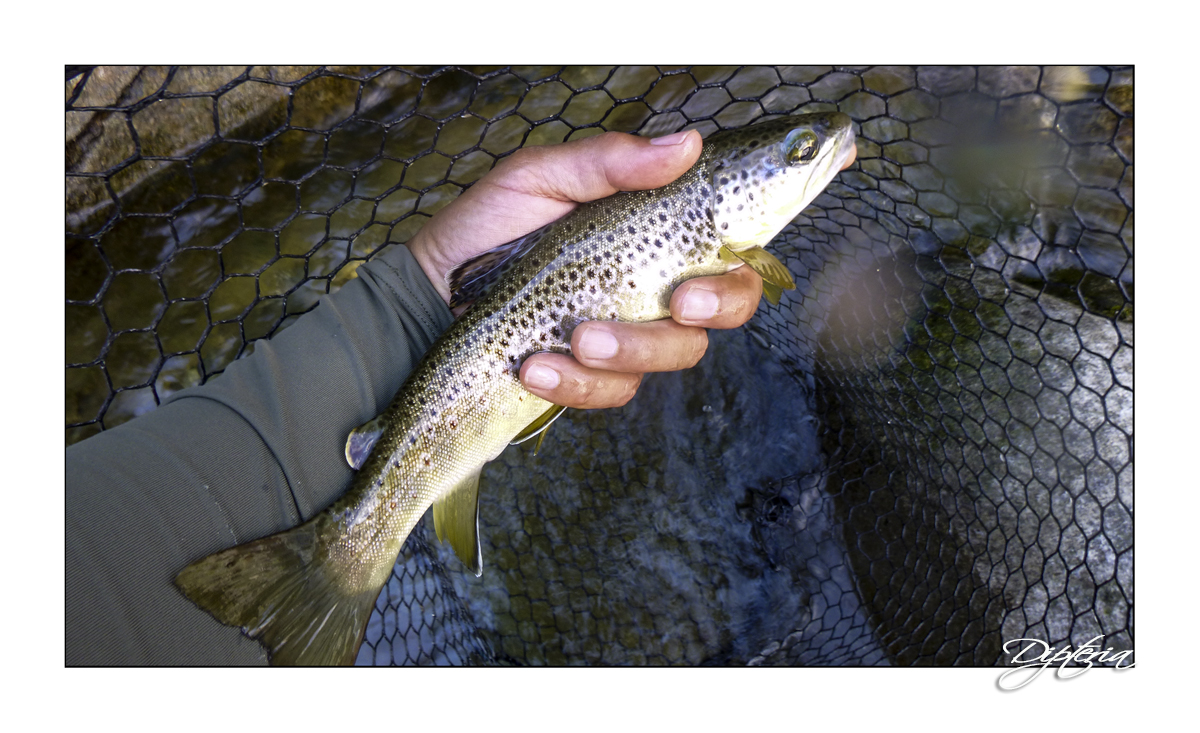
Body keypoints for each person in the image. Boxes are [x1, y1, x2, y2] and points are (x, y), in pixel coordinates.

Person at [64, 128, 854, 664]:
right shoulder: (707, 224)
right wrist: (418, 302)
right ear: (726, 190)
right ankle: (349, 557)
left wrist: (414, 301)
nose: (815, 154)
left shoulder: (717, 235)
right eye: (799, 152)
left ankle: (357, 545)